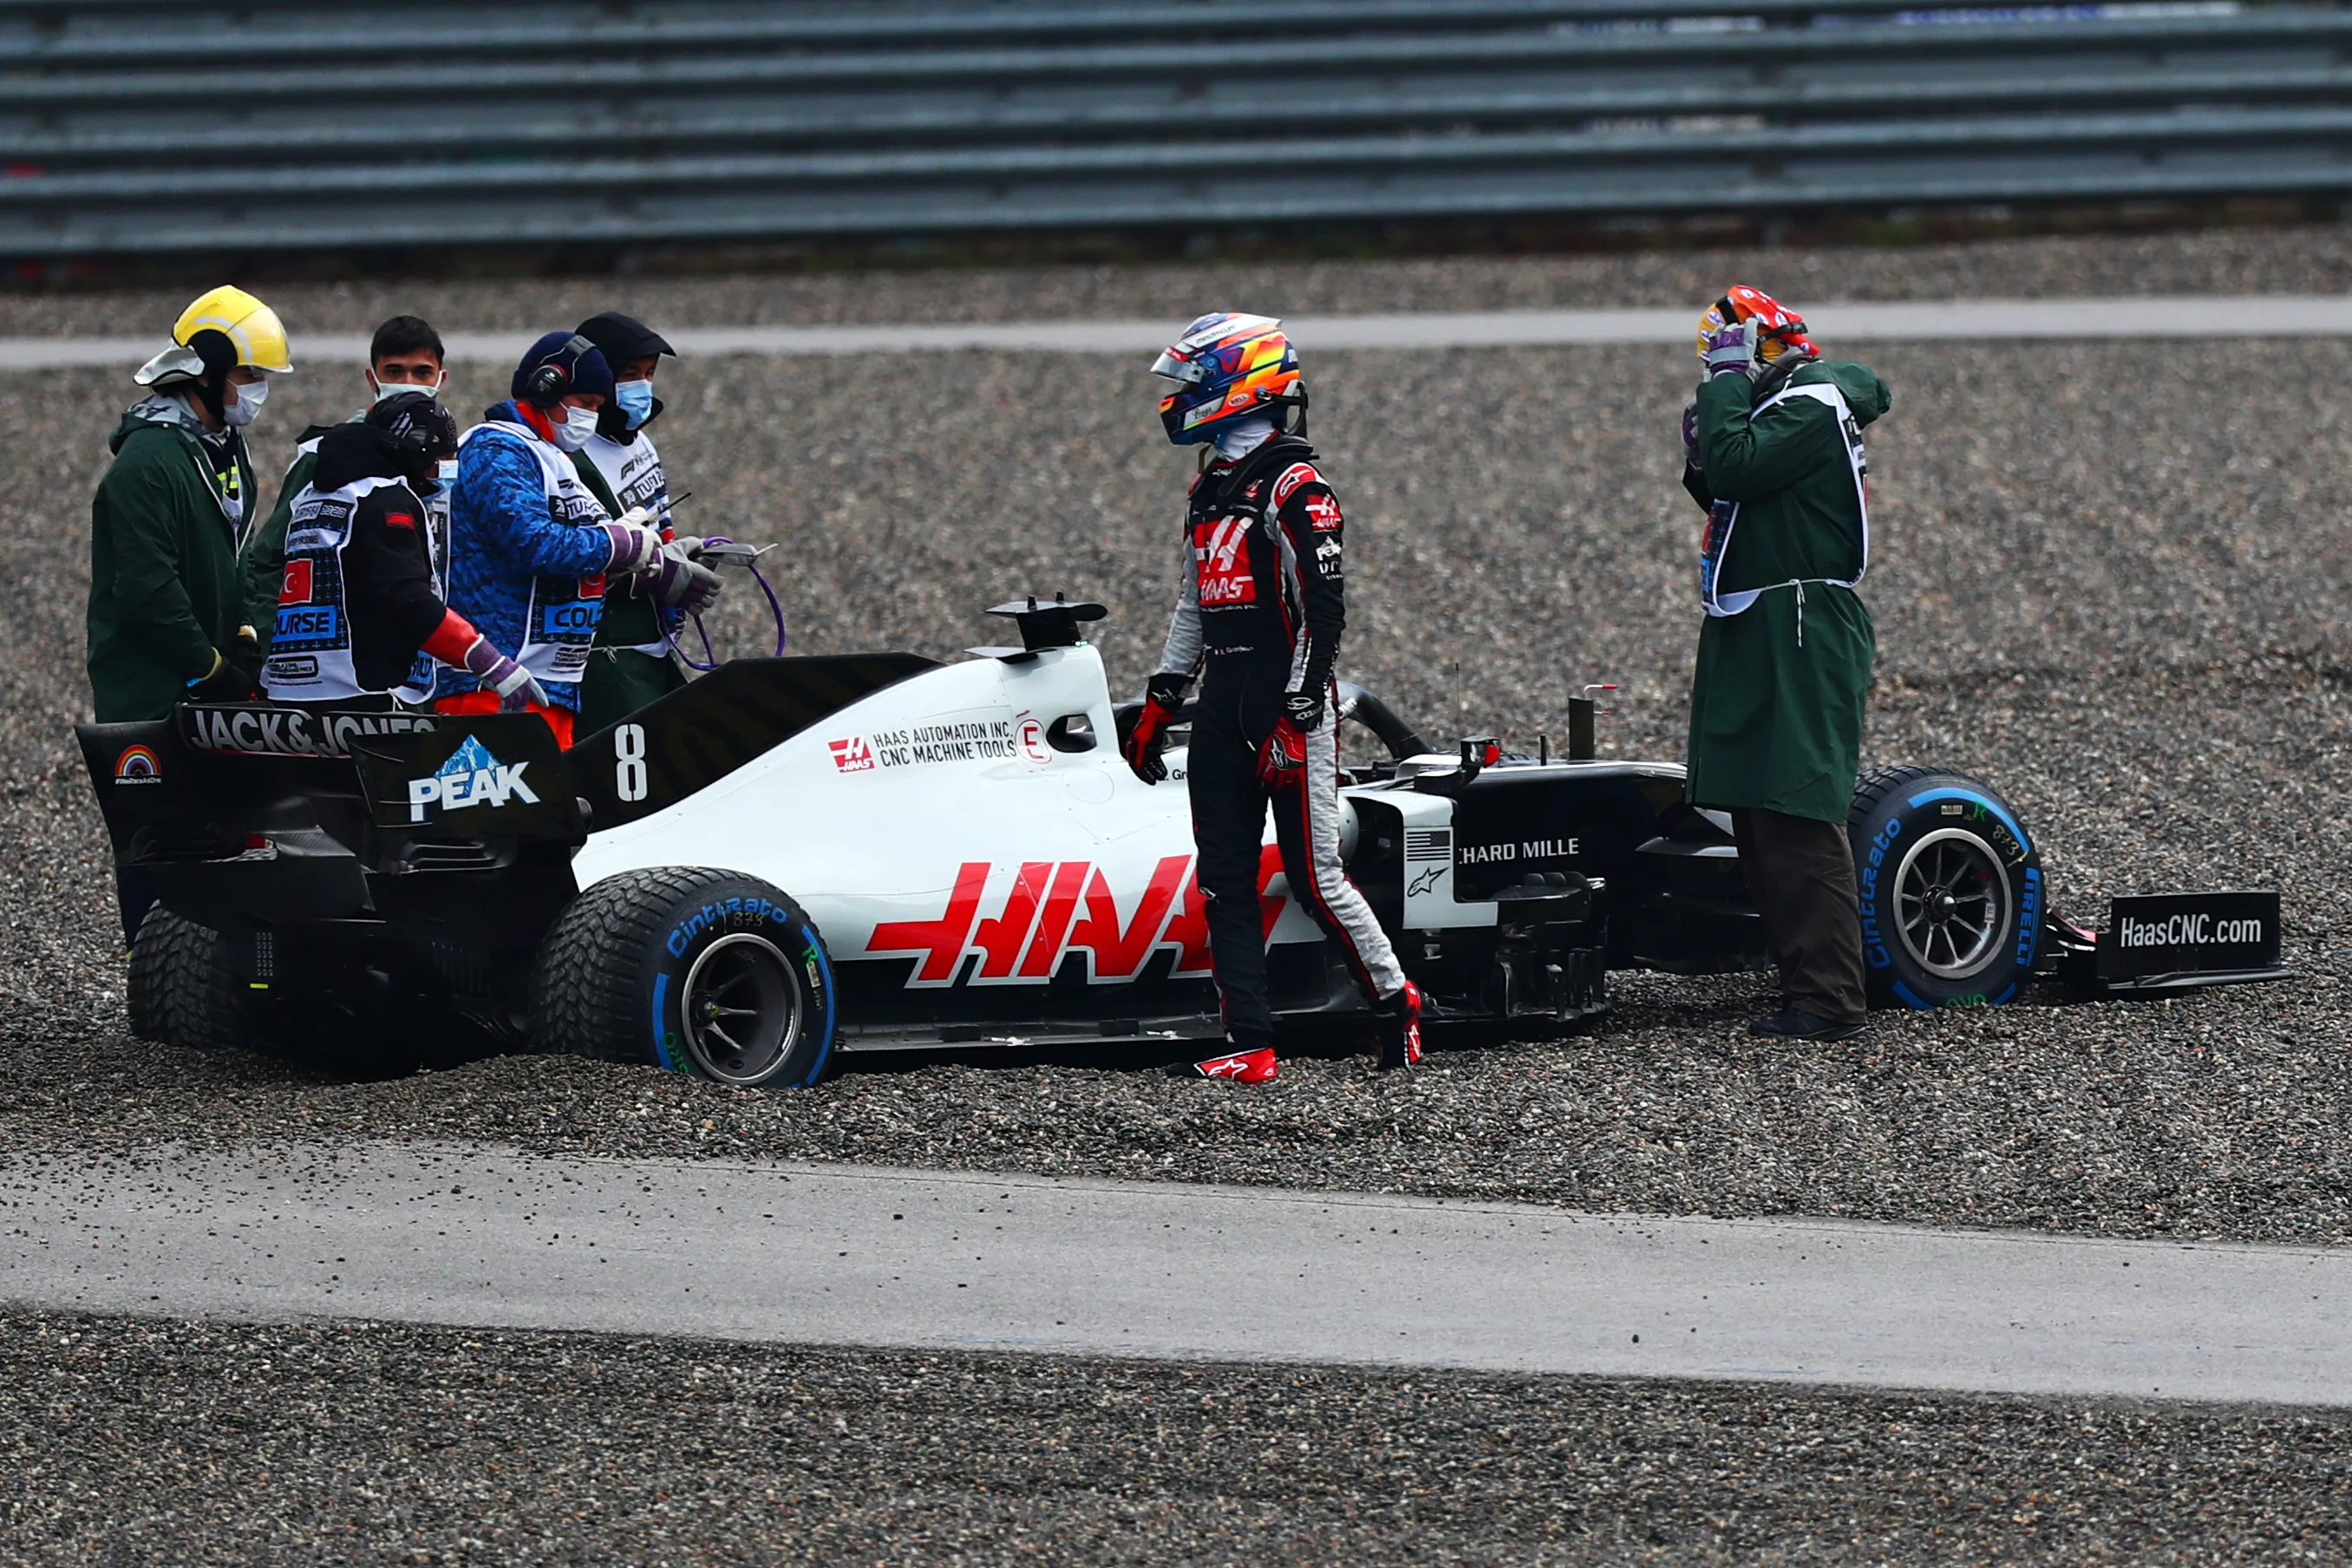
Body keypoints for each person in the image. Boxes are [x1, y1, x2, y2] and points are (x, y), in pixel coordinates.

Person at [1120, 312, 1421, 1081]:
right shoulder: (1207, 489)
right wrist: (1160, 700)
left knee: (1315, 876)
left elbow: (1326, 616)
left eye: (1191, 381)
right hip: (1224, 701)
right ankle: (1249, 1044)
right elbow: (1194, 605)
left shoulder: (1298, 486)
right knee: (1222, 878)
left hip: (1289, 705)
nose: (1177, 397)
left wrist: (1298, 715)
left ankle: (1396, 1003)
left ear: (1237, 383)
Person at [1681, 285, 1891, 1042]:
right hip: (1762, 618)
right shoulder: (1787, 407)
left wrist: (1726, 389)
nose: (1718, 362)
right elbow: (1722, 484)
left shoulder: (1813, 401)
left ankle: (1832, 999)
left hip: (1800, 619)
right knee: (1755, 804)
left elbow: (1736, 470)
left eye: (1730, 349)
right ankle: (1803, 980)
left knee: (1796, 807)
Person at [87, 284, 290, 945]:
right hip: (152, 690)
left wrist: (245, 639)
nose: (257, 390)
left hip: (204, 676)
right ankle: (158, 986)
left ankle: (215, 982)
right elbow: (147, 593)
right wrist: (210, 669)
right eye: (248, 375)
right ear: (204, 372)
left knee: (220, 833)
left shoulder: (221, 451)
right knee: (159, 843)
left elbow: (231, 566)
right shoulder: (148, 467)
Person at [434, 331, 669, 748]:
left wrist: (654, 559)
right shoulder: (496, 448)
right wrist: (620, 544)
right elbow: (536, 544)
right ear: (546, 388)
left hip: (549, 684)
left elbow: (591, 545)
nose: (592, 418)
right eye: (585, 405)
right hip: (493, 683)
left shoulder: (552, 457)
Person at [261, 393, 544, 713]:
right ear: (416, 452)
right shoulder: (384, 498)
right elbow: (405, 597)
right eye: (443, 459)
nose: (447, 470)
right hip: (361, 696)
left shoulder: (313, 496)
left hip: (293, 690)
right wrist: (487, 660)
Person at [241, 316, 454, 704]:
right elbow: (271, 560)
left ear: (441, 378)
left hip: (431, 664)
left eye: (421, 372)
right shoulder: (326, 456)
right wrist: (278, 649)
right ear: (372, 378)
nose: (408, 382)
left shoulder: (450, 459)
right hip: (347, 673)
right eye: (395, 371)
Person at [571, 310, 720, 733]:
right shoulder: (571, 456)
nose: (642, 386)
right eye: (630, 373)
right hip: (602, 657)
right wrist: (652, 574)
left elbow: (663, 524)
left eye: (649, 374)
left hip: (653, 645)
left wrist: (687, 560)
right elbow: (570, 557)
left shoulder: (642, 444)